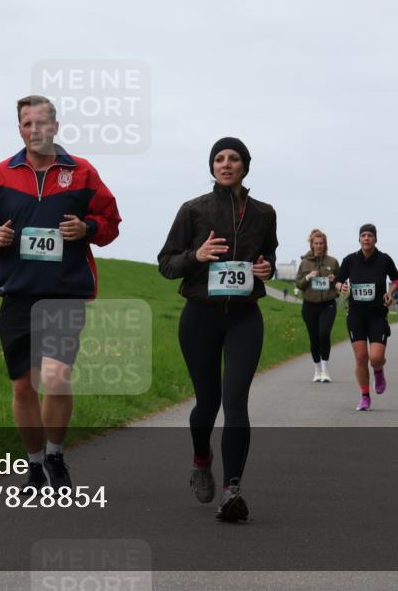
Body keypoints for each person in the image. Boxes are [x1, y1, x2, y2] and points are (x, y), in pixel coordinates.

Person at [0, 95, 121, 494]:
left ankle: (55, 454)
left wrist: (87, 228)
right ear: (19, 129)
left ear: (55, 127)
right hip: (18, 294)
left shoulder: (82, 172)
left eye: (41, 123)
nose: (34, 130)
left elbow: (110, 222)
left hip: (64, 293)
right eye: (27, 124)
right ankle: (34, 466)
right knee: (23, 387)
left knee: (54, 376)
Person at [158, 137, 278, 522]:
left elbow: (269, 256)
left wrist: (267, 269)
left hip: (244, 317)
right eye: (219, 159)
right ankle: (201, 458)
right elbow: (166, 263)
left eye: (234, 158)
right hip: (200, 317)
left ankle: (232, 491)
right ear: (212, 167)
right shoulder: (193, 210)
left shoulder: (264, 213)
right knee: (207, 404)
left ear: (245, 166)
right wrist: (197, 255)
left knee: (236, 401)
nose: (226, 164)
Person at [336, 224, 398, 412]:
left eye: (370, 235)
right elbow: (338, 281)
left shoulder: (384, 259)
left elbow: (397, 280)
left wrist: (390, 292)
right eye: (363, 235)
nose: (366, 238)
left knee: (376, 357)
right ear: (359, 239)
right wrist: (341, 287)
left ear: (375, 239)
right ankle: (365, 396)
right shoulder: (350, 260)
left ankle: (378, 371)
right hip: (356, 314)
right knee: (361, 357)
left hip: (377, 315)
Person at [294, 229, 339, 382]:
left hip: (328, 305)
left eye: (321, 243)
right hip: (309, 305)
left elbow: (340, 283)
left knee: (324, 335)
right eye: (316, 243)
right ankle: (317, 370)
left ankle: (325, 371)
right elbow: (298, 284)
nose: (319, 246)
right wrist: (307, 277)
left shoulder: (332, 262)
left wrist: (334, 280)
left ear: (325, 245)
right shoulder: (304, 263)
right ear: (312, 245)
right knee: (314, 338)